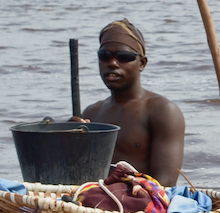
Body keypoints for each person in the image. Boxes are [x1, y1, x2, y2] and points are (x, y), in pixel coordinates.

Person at [73, 19, 185, 186]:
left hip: (142, 207)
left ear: (142, 63)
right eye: (104, 56)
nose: (112, 63)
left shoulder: (162, 111)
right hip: (96, 205)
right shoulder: (91, 114)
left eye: (124, 57)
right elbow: (75, 176)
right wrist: (67, 140)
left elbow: (165, 185)